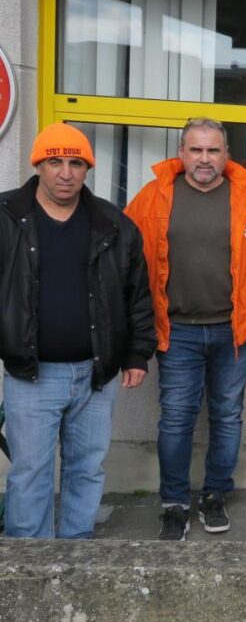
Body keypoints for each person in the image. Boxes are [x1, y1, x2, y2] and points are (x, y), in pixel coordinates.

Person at [127, 117, 246, 541]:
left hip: (234, 331)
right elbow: (128, 258)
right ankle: (174, 503)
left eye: (213, 150)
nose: (205, 159)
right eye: (196, 150)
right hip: (177, 333)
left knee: (228, 417)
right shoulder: (153, 197)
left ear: (227, 155)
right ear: (182, 153)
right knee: (176, 419)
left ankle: (214, 496)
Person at [1, 123, 155, 538]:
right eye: (55, 162)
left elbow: (138, 294)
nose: (65, 173)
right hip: (31, 373)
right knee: (30, 471)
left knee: (86, 468)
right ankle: (28, 563)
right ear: (38, 164)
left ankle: (76, 553)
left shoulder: (115, 224)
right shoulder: (6, 217)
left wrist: (138, 353)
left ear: (88, 168)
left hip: (96, 373)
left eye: (75, 163)